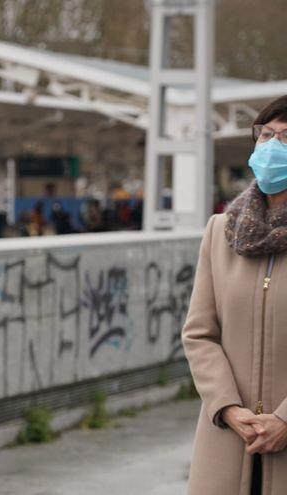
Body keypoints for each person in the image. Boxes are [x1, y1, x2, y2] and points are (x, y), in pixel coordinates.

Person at [182, 95, 287, 495]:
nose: (273, 146)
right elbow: (199, 333)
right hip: (229, 441)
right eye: (266, 135)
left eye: (286, 137)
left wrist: (284, 420)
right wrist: (227, 408)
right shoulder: (220, 231)